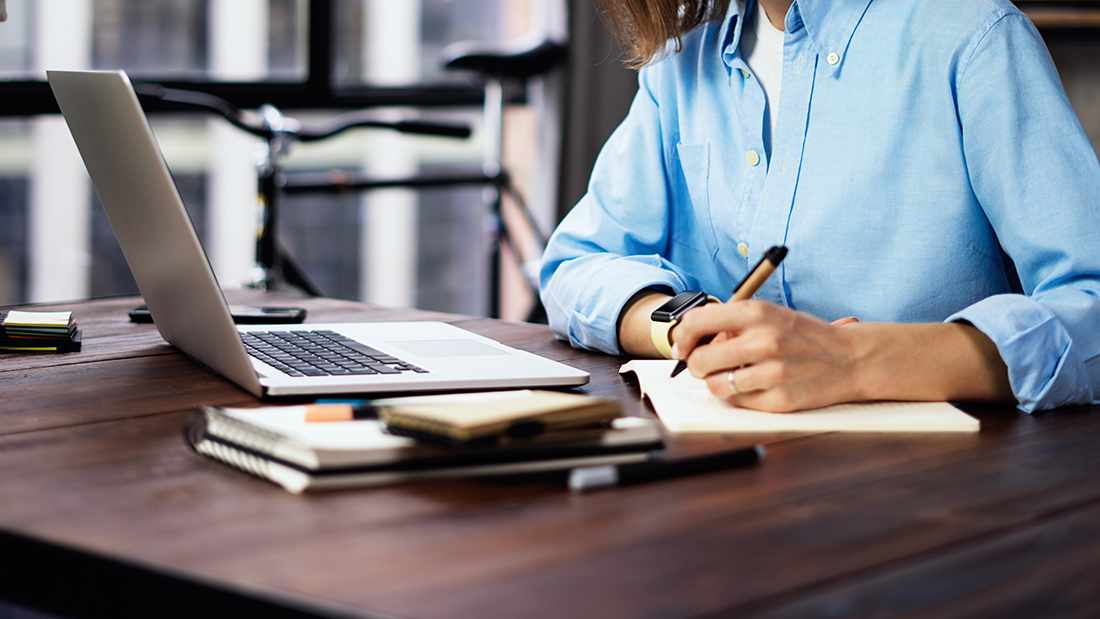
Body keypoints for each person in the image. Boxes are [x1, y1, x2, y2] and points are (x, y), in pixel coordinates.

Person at [539, 0, 1100, 413]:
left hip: (935, 498)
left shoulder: (971, 36)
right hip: (723, 486)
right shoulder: (680, 65)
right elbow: (577, 264)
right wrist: (691, 326)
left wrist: (853, 361)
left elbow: (1091, 302)